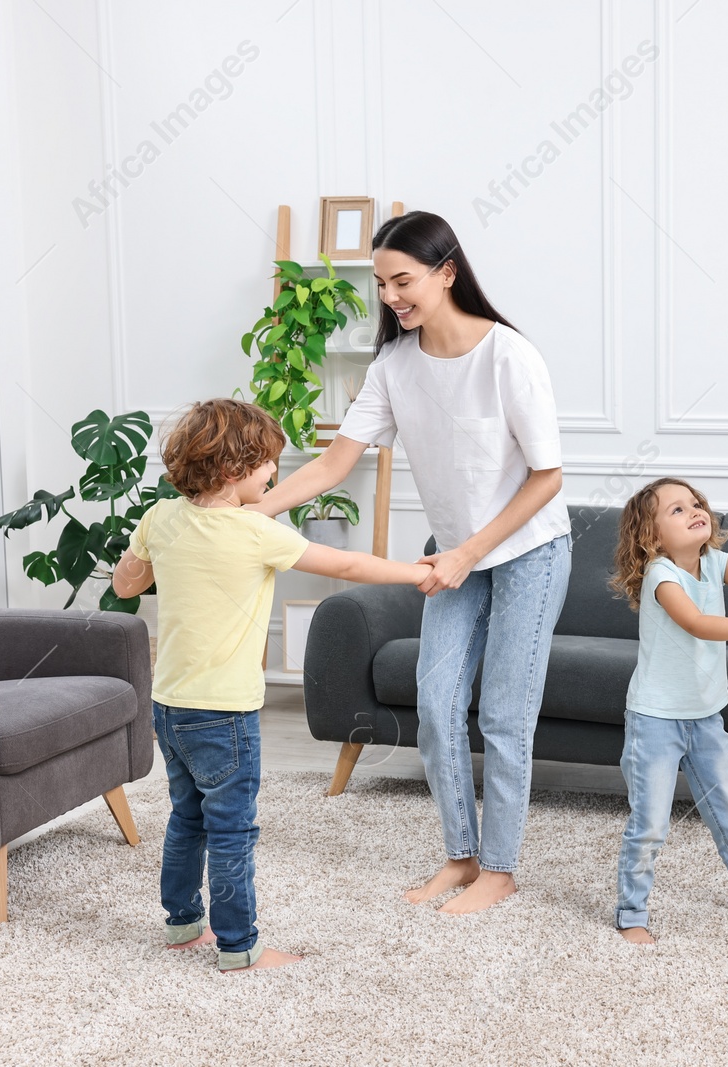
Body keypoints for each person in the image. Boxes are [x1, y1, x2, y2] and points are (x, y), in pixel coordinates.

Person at [254, 211, 572, 915]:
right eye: (381, 284)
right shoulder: (394, 367)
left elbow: (546, 477)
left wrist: (467, 551)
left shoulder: (509, 356)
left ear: (447, 273)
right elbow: (336, 463)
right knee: (433, 705)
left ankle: (501, 867)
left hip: (529, 551)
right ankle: (460, 856)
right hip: (455, 558)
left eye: (404, 280)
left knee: (505, 715)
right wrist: (253, 514)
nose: (392, 296)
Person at [113, 397, 432, 972]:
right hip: (225, 713)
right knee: (232, 828)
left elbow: (128, 586)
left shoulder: (160, 518)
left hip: (168, 706)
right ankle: (239, 947)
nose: (274, 477)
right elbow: (349, 567)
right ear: (234, 470)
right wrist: (417, 572)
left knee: (187, 815)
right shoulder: (256, 533)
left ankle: (183, 922)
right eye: (267, 466)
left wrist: (145, 555)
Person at [607, 477, 728, 943]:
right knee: (651, 825)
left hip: (706, 718)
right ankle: (632, 915)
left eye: (695, 503)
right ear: (651, 537)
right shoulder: (662, 574)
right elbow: (698, 624)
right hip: (655, 720)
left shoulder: (716, 562)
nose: (694, 510)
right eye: (676, 510)